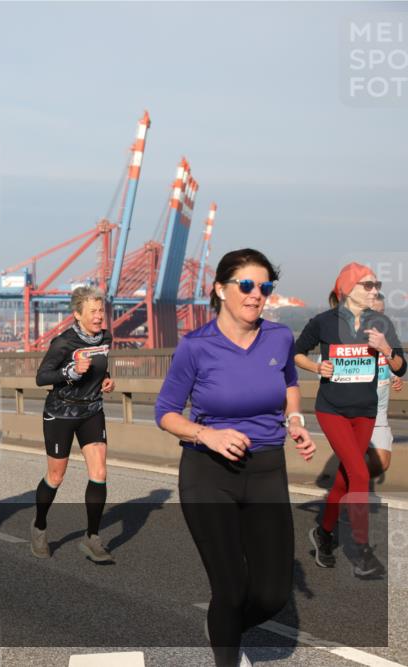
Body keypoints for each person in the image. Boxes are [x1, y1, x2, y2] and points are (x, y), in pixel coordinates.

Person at [155, 248, 316, 667]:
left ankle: (222, 627)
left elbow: (289, 383)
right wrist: (206, 433)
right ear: (220, 290)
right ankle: (226, 650)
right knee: (230, 589)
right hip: (208, 472)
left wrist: (295, 419)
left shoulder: (278, 338)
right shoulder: (196, 346)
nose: (256, 294)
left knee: (272, 595)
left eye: (264, 286)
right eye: (246, 285)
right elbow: (166, 413)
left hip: (265, 469)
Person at [295, 262, 405, 578]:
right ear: (347, 289)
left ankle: (324, 533)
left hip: (366, 411)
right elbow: (296, 352)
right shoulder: (324, 322)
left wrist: (386, 349)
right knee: (358, 471)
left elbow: (400, 367)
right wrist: (317, 369)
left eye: (376, 285)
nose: (374, 291)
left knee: (345, 477)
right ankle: (360, 550)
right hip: (332, 410)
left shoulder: (381, 323)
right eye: (367, 285)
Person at [30, 286, 117, 563]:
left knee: (100, 471)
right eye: (93, 311)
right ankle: (40, 526)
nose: (99, 316)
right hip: (61, 413)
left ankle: (92, 538)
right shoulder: (63, 343)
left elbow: (101, 365)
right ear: (77, 314)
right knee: (56, 476)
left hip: (92, 411)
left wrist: (107, 379)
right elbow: (42, 377)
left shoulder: (105, 338)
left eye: (101, 310)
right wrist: (70, 371)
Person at [366, 293, 404, 478]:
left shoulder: (386, 340)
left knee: (380, 462)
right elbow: (324, 363)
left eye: (382, 313)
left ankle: (350, 482)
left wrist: (393, 376)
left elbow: (393, 365)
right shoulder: (349, 338)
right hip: (351, 409)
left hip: (378, 411)